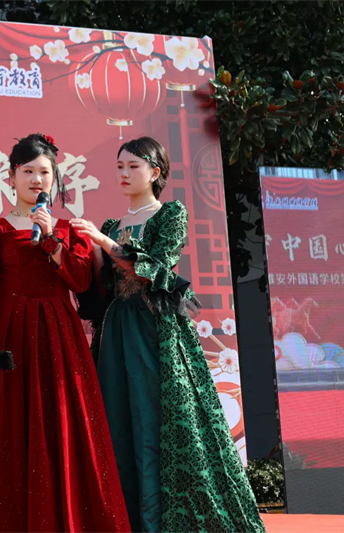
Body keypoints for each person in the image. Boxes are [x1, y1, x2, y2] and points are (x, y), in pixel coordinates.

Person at [71, 136, 265, 533]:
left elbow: (158, 269)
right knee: (117, 420)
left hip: (154, 329)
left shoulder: (169, 214)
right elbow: (100, 289)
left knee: (157, 420)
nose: (124, 173)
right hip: (116, 332)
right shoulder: (111, 225)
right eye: (120, 166)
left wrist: (104, 243)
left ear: (155, 172)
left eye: (133, 166)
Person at [0, 133, 130, 532]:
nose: (36, 180)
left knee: (64, 423)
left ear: (54, 179)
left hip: (59, 336)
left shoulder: (69, 230)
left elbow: (80, 281)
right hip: (10, 333)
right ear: (11, 176)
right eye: (28, 172)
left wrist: (52, 239)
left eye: (44, 173)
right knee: (10, 427)